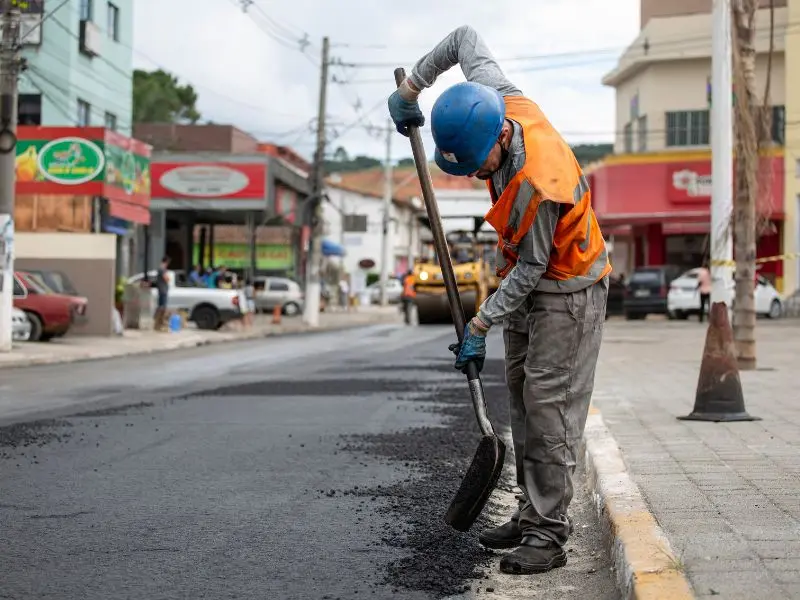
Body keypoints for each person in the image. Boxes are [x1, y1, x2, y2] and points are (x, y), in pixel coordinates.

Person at [388, 26, 611, 576]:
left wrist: (481, 325)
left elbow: (535, 268)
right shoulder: (495, 96)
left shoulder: (537, 180)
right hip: (527, 277)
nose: (479, 176)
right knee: (519, 395)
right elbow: (464, 38)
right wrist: (413, 87)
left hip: (569, 287)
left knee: (548, 408)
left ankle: (548, 535)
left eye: (479, 167)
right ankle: (529, 510)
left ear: (497, 140)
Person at [153, 256, 170, 332]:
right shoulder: (162, 269)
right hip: (163, 290)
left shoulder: (161, 268)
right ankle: (159, 323)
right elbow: (166, 278)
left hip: (162, 290)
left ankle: (158, 324)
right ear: (166, 262)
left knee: (161, 307)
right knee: (162, 308)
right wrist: (168, 278)